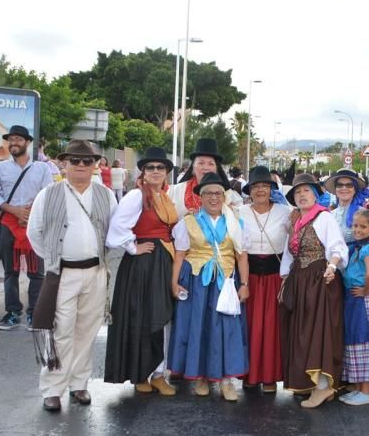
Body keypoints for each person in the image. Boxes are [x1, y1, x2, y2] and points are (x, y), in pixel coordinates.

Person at [27, 140, 118, 412]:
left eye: (87, 161)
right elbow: (35, 233)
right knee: (61, 331)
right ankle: (53, 388)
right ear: (63, 163)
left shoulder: (106, 195)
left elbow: (114, 232)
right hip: (63, 273)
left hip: (95, 272)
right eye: (75, 161)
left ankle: (79, 384)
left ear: (95, 165)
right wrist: (55, 259)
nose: (81, 165)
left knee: (87, 330)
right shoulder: (48, 194)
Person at [169, 172, 250, 401]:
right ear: (200, 197)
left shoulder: (235, 222)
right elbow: (180, 254)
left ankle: (226, 381)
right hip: (197, 282)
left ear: (224, 196)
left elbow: (241, 256)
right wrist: (174, 283)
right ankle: (202, 377)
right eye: (208, 193)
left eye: (218, 193)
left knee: (226, 329)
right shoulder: (188, 222)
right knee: (199, 327)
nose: (213, 198)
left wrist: (244, 284)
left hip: (226, 282)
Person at [104, 147, 179, 396]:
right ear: (143, 173)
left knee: (161, 317)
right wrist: (133, 248)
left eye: (160, 168)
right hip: (144, 264)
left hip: (163, 261)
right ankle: (141, 374)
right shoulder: (137, 196)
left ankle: (158, 373)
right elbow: (117, 228)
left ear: (167, 173)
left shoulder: (165, 197)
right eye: (150, 168)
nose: (156, 171)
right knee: (144, 317)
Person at [279, 173, 348, 408]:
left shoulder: (324, 218)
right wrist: (286, 279)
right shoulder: (295, 221)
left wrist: (332, 265)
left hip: (319, 280)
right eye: (298, 192)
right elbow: (289, 253)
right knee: (301, 331)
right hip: (300, 280)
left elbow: (337, 246)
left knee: (318, 332)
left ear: (315, 194)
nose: (301, 195)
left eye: (306, 191)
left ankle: (323, 387)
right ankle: (308, 382)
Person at [0, 125, 54, 330]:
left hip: (34, 225)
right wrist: (14, 210)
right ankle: (13, 312)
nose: (14, 143)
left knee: (36, 272)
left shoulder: (42, 168)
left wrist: (31, 215)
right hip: (8, 224)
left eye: (18, 139)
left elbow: (48, 195)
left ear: (28, 142)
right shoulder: (0, 168)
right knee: (10, 272)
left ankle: (35, 313)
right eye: (11, 140)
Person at [238, 166, 290, 391]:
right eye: (256, 186)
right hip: (247, 275)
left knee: (271, 327)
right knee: (248, 326)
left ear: (272, 189)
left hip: (273, 277)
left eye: (265, 186)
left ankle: (269, 377)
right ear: (250, 190)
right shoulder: (239, 212)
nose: (260, 190)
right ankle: (248, 374)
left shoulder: (286, 212)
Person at [339, 209, 369, 405]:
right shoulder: (356, 246)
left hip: (362, 299)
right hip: (353, 298)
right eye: (355, 226)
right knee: (355, 342)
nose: (358, 230)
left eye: (363, 226)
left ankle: (366, 392)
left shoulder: (368, 249)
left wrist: (366, 290)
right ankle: (359, 388)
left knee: (365, 342)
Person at [171, 138, 242, 217]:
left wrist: (230, 211)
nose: (205, 167)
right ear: (193, 168)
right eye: (201, 163)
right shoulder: (176, 191)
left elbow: (240, 217)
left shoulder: (229, 195)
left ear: (216, 169)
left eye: (211, 164)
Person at [325, 168, 369, 244]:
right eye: (340, 185)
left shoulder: (364, 214)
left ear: (355, 189)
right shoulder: (329, 215)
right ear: (335, 189)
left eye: (349, 185)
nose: (344, 188)